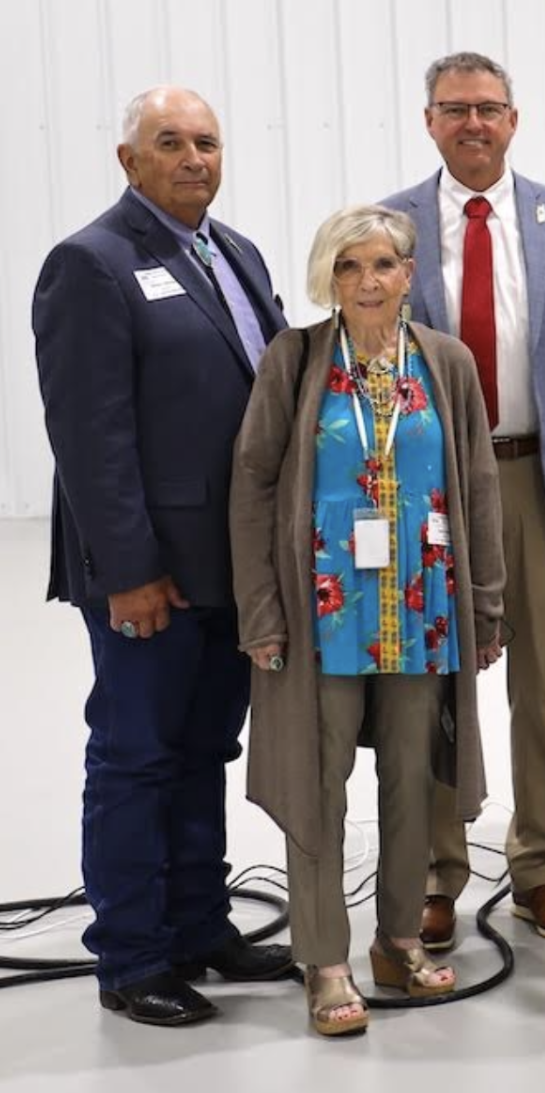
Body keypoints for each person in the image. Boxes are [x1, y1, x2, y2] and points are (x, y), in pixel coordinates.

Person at [31, 85, 295, 1027]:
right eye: (171, 142)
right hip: (151, 572)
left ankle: (198, 929)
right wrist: (130, 571)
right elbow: (89, 437)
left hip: (230, 562)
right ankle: (133, 956)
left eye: (207, 143)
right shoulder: (92, 263)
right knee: (137, 757)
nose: (193, 159)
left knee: (202, 750)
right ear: (129, 160)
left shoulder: (236, 252)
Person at [231, 205, 506, 1036]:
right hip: (323, 610)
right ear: (330, 277)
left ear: (408, 273)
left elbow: (479, 487)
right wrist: (261, 611)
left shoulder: (446, 362)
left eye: (382, 264)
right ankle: (324, 960)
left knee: (412, 782)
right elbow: (254, 486)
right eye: (348, 266)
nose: (367, 281)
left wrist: (486, 604)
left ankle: (397, 940)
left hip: (421, 606)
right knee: (318, 784)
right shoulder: (295, 359)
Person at [383, 51, 545, 948]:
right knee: (434, 687)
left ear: (514, 120)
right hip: (435, 489)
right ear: (429, 122)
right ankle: (437, 875)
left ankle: (541, 869)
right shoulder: (391, 225)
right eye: (455, 109)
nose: (474, 124)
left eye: (488, 108)